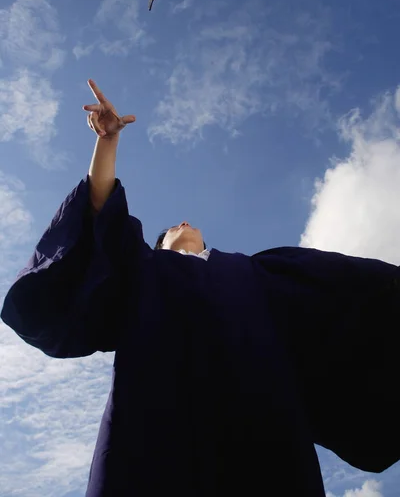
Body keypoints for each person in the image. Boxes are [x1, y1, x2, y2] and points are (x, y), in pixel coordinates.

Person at [1, 79, 400, 497]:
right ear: (159, 245)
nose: (183, 223)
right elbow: (101, 214)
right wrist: (108, 141)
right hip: (155, 416)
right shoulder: (142, 268)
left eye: (188, 224)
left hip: (260, 419)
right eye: (172, 227)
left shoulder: (253, 272)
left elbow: (339, 289)